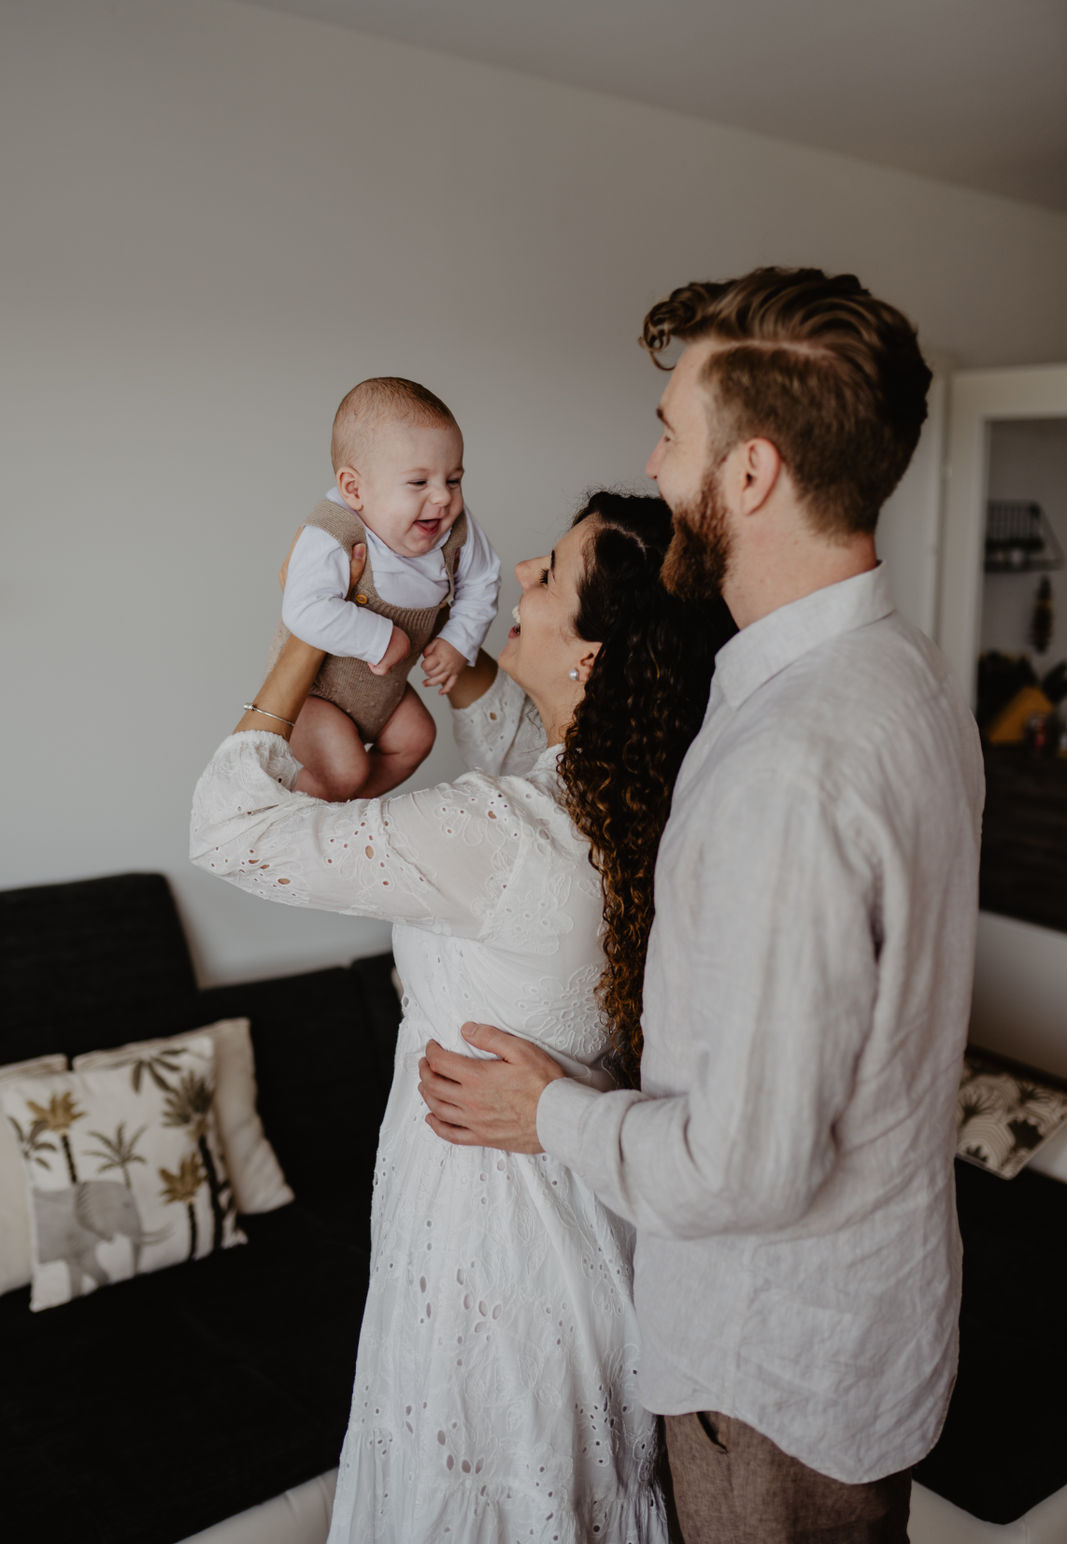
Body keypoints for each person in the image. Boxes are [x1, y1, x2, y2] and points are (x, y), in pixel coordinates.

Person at [419, 267, 986, 1543]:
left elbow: (744, 1164)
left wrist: (544, 1109)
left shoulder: (791, 760)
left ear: (750, 474)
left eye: (672, 431)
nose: (653, 460)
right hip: (870, 1328)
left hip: (766, 1377)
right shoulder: (906, 676)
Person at [191, 490, 734, 1543]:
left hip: (485, 1251)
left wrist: (305, 636)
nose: (522, 569)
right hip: (591, 1229)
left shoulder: (502, 831)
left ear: (593, 658)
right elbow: (512, 726)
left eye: (551, 573)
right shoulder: (635, 802)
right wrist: (459, 652)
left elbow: (228, 828)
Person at [272, 376, 500, 800]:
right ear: (354, 488)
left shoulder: (456, 531)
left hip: (382, 691)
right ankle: (295, 804)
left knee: (417, 739)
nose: (443, 498)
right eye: (419, 483)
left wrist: (458, 640)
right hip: (316, 695)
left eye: (453, 479)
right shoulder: (333, 531)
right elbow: (302, 608)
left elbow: (483, 580)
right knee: (346, 768)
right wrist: (380, 637)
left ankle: (344, 811)